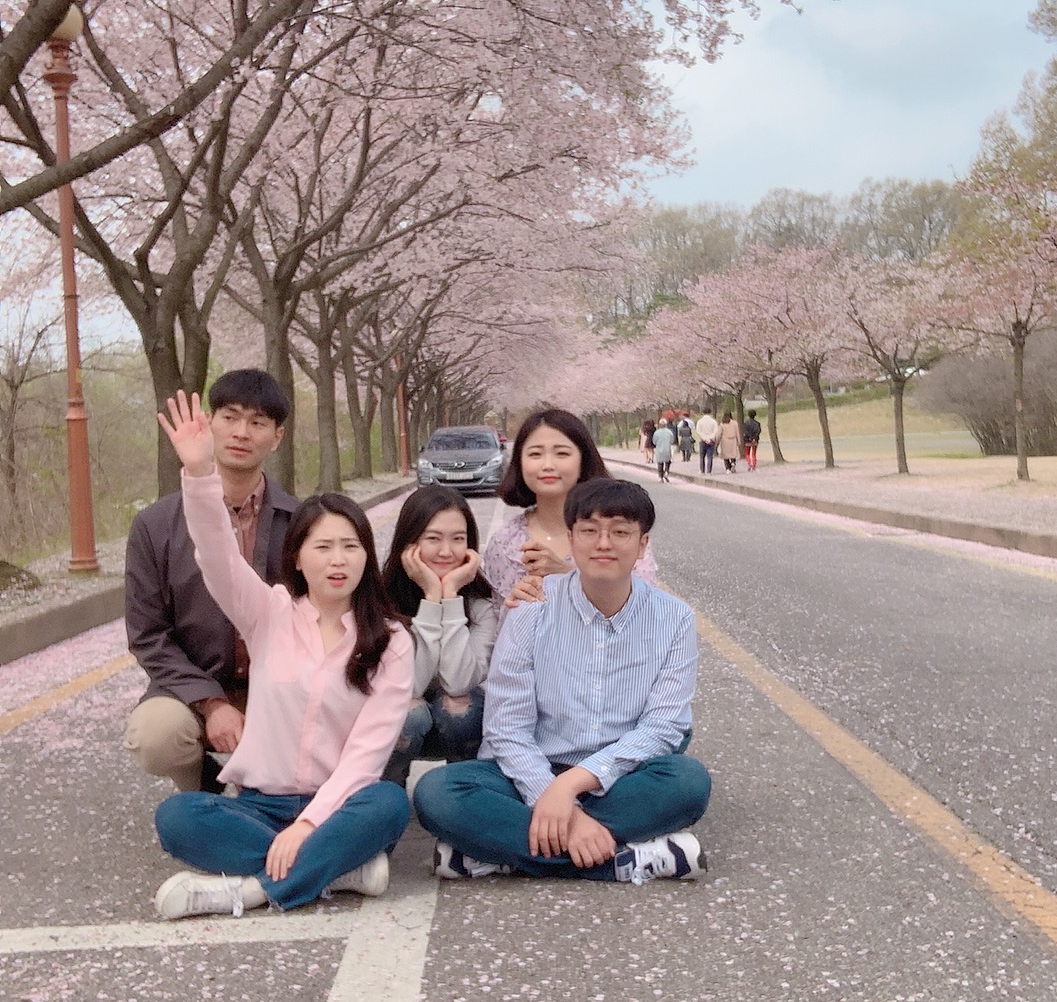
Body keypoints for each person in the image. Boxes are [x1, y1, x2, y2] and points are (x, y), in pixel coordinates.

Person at [149, 391, 414, 919]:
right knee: (177, 816)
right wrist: (199, 474)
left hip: (339, 805)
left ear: (367, 555)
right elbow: (218, 556)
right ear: (296, 557)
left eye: (351, 546)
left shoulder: (390, 640)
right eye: (323, 547)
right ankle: (337, 869)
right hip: (261, 806)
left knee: (388, 804)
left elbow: (366, 756)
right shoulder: (268, 613)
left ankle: (249, 890)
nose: (338, 561)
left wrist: (310, 824)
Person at [413, 478, 711, 883]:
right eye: (589, 531)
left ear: (642, 545)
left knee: (688, 782)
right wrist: (560, 805)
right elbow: (506, 728)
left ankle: (505, 855)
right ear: (570, 539)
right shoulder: (531, 608)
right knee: (438, 793)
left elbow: (663, 727)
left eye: (620, 532)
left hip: (619, 776)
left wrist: (568, 787)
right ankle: (625, 860)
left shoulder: (674, 620)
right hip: (529, 770)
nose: (603, 543)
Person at [124, 368, 299, 793]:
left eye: (257, 422)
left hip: (283, 684)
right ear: (209, 423)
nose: (241, 432)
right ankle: (201, 791)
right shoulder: (155, 525)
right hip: (195, 685)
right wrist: (212, 701)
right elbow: (149, 635)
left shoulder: (301, 522)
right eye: (230, 417)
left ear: (277, 437)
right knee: (157, 734)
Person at [482, 407, 657, 614]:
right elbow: (497, 624)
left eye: (562, 453)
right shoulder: (505, 542)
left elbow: (646, 606)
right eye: (535, 454)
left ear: (583, 460)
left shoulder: (618, 531)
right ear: (519, 463)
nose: (548, 465)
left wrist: (568, 575)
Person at [380, 486, 498, 786]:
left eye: (458, 539)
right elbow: (410, 688)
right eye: (433, 539)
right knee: (410, 712)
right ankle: (388, 792)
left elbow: (458, 683)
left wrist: (451, 596)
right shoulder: (381, 601)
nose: (447, 552)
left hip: (458, 724)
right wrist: (431, 598)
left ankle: (461, 789)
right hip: (406, 720)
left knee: (459, 707)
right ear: (409, 542)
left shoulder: (481, 604)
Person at [695, 408, 719, 474]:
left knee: (702, 456)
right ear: (710, 413)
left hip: (702, 440)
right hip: (711, 440)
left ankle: (702, 470)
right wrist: (710, 438)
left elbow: (698, 431)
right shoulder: (713, 421)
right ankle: (709, 471)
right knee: (710, 456)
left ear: (703, 413)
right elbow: (715, 431)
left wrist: (704, 438)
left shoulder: (700, 421)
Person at [652, 417, 675, 482]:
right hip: (667, 449)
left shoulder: (656, 433)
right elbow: (672, 440)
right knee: (668, 462)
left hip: (659, 450)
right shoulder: (669, 432)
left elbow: (654, 442)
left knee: (660, 463)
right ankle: (666, 471)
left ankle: (660, 476)